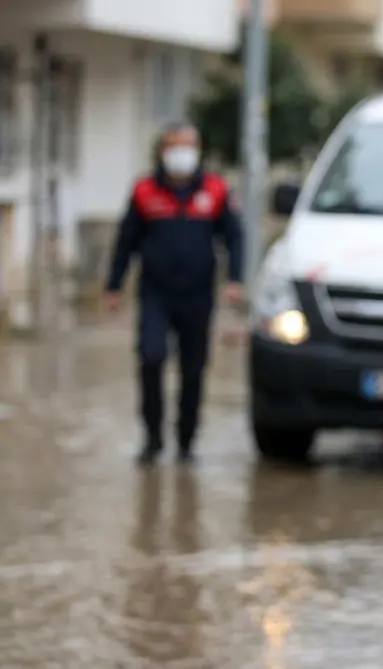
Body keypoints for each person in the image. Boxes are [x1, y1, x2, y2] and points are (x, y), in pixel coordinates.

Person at [104, 122, 244, 465]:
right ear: (162, 152)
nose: (182, 153)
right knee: (151, 358)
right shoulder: (144, 191)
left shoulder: (215, 189)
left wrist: (234, 279)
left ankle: (185, 441)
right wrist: (113, 285)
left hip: (197, 295)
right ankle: (152, 437)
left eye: (188, 145)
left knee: (193, 369)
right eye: (174, 146)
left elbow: (234, 236)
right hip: (155, 293)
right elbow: (126, 241)